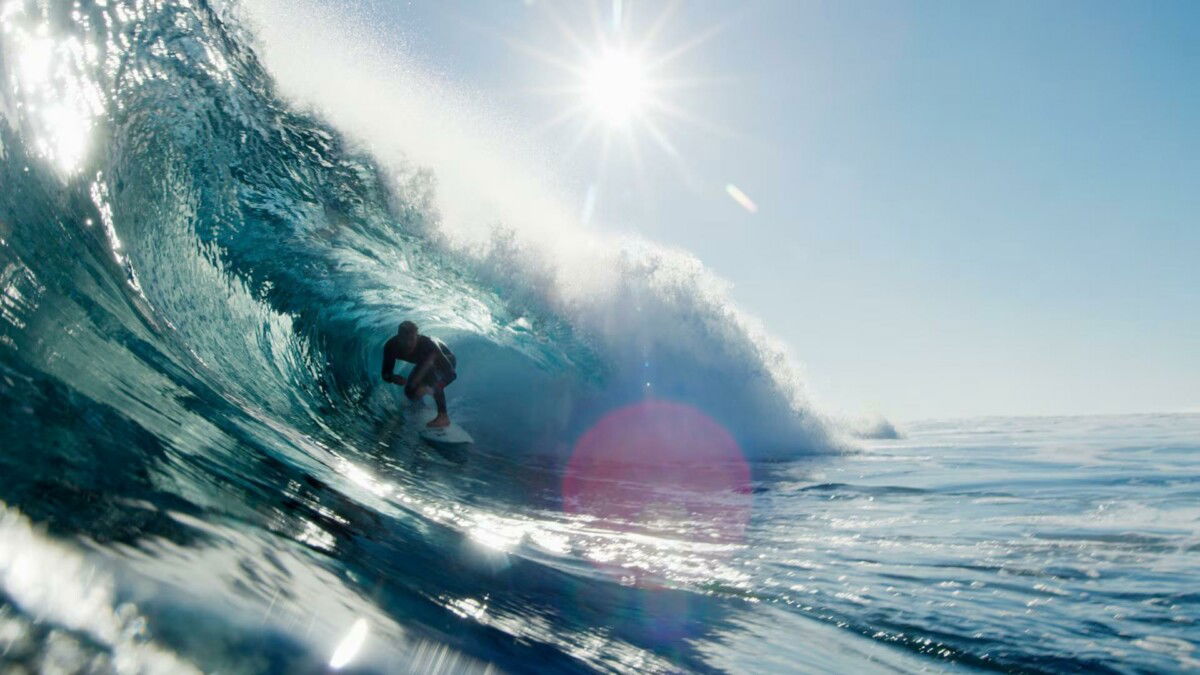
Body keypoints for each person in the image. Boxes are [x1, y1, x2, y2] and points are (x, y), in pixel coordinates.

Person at [382, 321, 457, 428]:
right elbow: (385, 374)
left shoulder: (428, 345)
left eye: (411, 339)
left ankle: (443, 417)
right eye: (404, 339)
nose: (408, 344)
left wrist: (435, 387)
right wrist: (393, 378)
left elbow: (452, 374)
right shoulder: (391, 346)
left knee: (431, 377)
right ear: (398, 337)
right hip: (425, 364)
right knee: (410, 392)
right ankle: (421, 406)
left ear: (417, 337)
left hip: (446, 361)